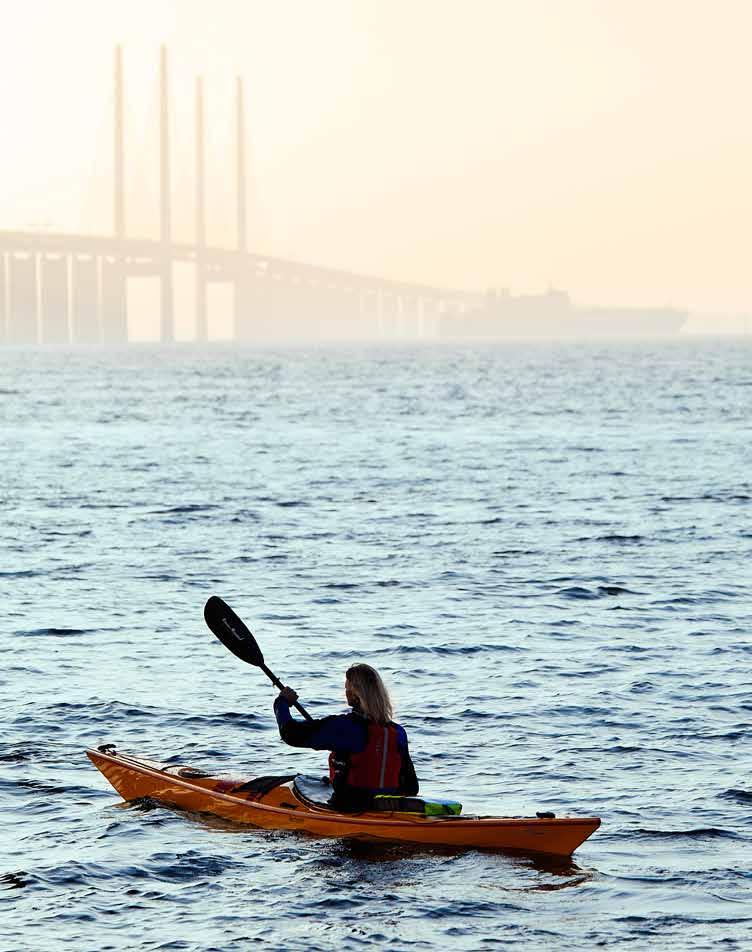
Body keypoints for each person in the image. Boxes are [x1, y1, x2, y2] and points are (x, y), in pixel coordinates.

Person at [274, 663, 419, 811]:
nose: (345, 693)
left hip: (349, 808)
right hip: (388, 808)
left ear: (354, 694)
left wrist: (282, 703)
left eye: (346, 689)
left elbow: (290, 733)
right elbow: (411, 787)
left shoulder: (345, 727)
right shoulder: (398, 732)